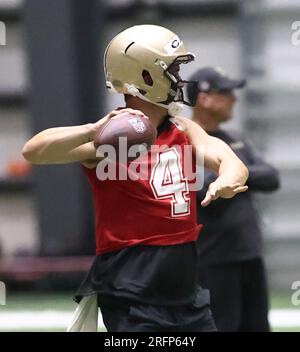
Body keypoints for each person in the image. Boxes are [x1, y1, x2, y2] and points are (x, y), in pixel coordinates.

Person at [22, 25, 248, 332]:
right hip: (131, 286)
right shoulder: (110, 139)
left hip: (184, 288)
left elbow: (225, 157)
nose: (180, 79)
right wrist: (91, 129)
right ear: (145, 76)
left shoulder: (182, 128)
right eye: (173, 70)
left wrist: (228, 178)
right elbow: (34, 151)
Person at [187, 67, 280, 332]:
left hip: (249, 254)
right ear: (204, 98)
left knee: (258, 326)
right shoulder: (189, 144)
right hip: (214, 258)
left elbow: (271, 177)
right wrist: (238, 171)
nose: (234, 99)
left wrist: (234, 174)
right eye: (226, 92)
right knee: (223, 326)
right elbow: (205, 192)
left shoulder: (235, 139)